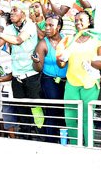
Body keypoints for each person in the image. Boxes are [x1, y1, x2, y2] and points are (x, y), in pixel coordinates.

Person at [57, 11, 101, 146]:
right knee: (70, 118)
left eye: (81, 20)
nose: (78, 22)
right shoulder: (70, 39)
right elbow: (61, 64)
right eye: (76, 20)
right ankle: (74, 145)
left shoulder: (98, 39)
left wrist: (89, 62)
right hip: (72, 82)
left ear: (89, 21)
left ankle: (89, 146)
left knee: (86, 118)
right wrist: (60, 59)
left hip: (89, 83)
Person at [0, 1, 41, 139]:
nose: (11, 13)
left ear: (23, 12)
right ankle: (26, 135)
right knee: (21, 108)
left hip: (32, 74)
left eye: (15, 10)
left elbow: (18, 40)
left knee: (36, 108)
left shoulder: (30, 26)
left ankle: (41, 134)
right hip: (17, 76)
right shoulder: (9, 29)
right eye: (11, 10)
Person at [32, 13, 68, 142]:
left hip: (67, 81)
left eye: (50, 25)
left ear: (58, 27)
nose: (46, 28)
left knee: (65, 111)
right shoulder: (43, 44)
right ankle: (51, 140)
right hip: (49, 81)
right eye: (46, 25)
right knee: (53, 110)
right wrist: (36, 62)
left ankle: (64, 139)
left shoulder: (67, 40)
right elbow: (38, 68)